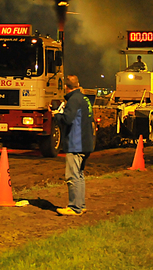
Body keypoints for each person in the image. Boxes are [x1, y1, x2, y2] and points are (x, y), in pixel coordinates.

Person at [50, 75, 95, 216]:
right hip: (86, 142)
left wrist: (56, 115)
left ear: (66, 86)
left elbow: (67, 120)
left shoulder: (73, 100)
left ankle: (74, 207)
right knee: (79, 175)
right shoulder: (84, 99)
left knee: (72, 176)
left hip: (76, 144)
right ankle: (80, 205)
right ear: (78, 84)